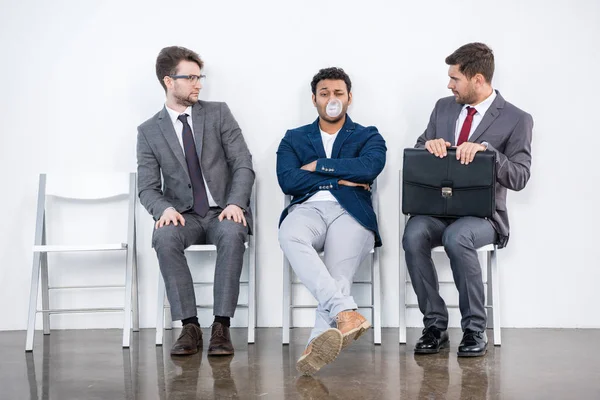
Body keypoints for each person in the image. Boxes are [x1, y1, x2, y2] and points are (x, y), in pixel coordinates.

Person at [403, 42, 533, 357]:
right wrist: (429, 145)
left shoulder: (517, 119)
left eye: (455, 79)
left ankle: (474, 329)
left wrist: (490, 153)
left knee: (457, 236)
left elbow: (519, 177)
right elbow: (420, 147)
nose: (449, 85)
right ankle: (434, 325)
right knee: (413, 233)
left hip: (483, 217)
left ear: (477, 80)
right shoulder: (443, 107)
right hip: (437, 208)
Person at [137, 46, 254, 356]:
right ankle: (189, 326)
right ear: (168, 81)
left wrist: (235, 203)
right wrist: (164, 209)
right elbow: (147, 187)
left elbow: (243, 163)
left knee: (232, 232)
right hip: (183, 216)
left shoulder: (218, 113)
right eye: (190, 77)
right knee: (163, 236)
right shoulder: (149, 131)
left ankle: (221, 327)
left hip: (222, 211)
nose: (198, 83)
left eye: (199, 76)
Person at [277, 67, 386, 375]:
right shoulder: (294, 138)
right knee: (289, 234)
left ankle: (314, 347)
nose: (332, 99)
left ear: (349, 98)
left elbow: (369, 167)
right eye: (325, 93)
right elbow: (288, 180)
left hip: (350, 213)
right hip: (308, 211)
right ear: (314, 99)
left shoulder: (369, 135)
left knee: (338, 274)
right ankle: (346, 312)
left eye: (338, 93)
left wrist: (318, 166)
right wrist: (338, 181)